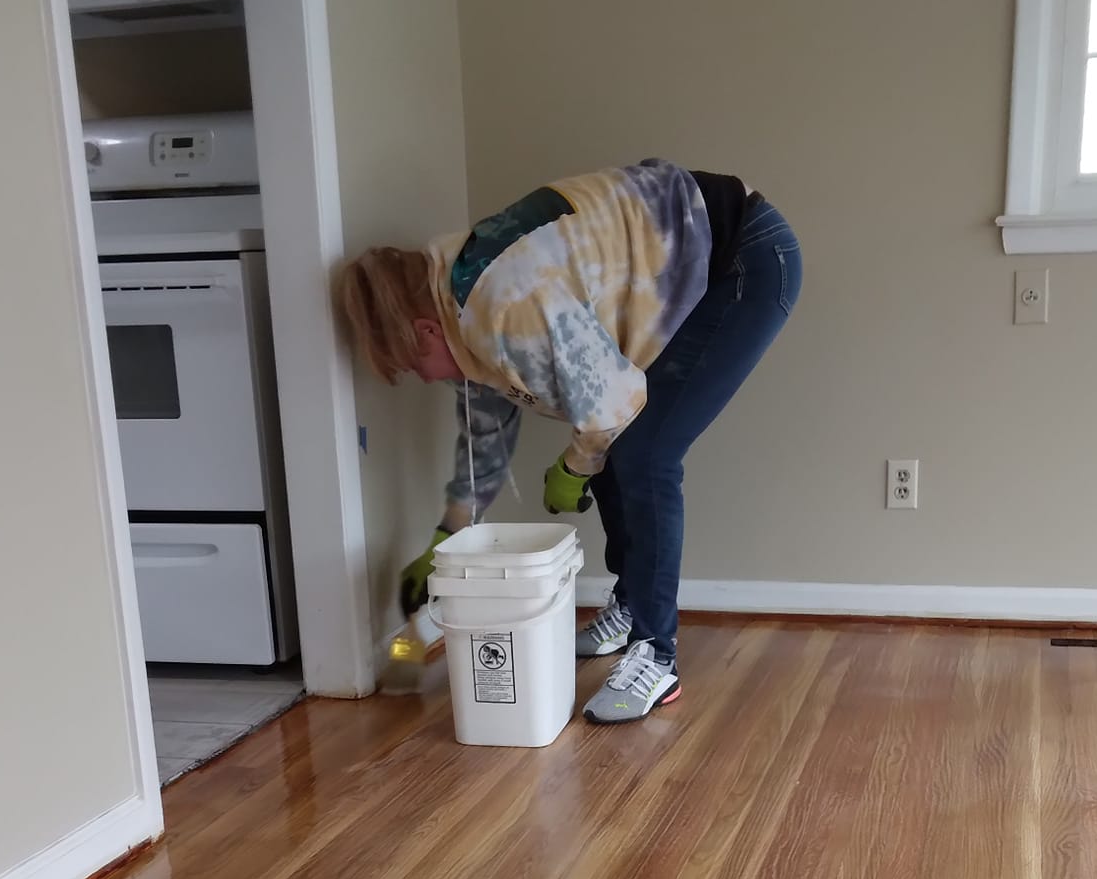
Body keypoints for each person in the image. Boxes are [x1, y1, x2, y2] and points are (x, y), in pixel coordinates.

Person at [335, 159, 799, 723]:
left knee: (645, 455)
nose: (427, 378)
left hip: (743, 256)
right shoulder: (457, 303)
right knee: (612, 448)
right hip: (696, 249)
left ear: (427, 329)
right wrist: (448, 534)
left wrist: (574, 467)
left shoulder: (501, 305)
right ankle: (629, 607)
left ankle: (656, 656)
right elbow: (488, 435)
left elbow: (612, 407)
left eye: (415, 364)